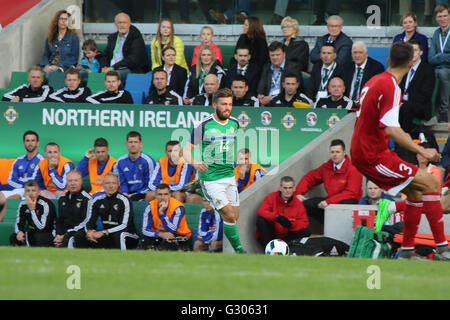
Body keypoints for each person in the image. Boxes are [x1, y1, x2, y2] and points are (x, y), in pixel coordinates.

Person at [351, 41, 450, 260]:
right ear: (410, 63)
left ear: (388, 61)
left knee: (416, 192)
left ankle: (406, 251)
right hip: (372, 154)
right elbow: (392, 130)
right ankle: (443, 248)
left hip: (369, 150)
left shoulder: (375, 80)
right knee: (432, 183)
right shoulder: (391, 86)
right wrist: (423, 152)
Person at [183, 88, 246, 253]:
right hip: (210, 178)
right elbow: (186, 150)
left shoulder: (235, 123)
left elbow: (236, 145)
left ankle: (220, 239)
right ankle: (241, 252)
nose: (227, 108)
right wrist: (196, 163)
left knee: (233, 216)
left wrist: (242, 164)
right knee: (230, 216)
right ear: (214, 105)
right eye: (224, 104)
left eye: (230, 104)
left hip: (229, 177)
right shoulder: (203, 125)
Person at [295, 139, 363, 233]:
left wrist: (329, 201)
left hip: (345, 204)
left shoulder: (353, 169)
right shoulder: (327, 167)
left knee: (347, 202)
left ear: (344, 152)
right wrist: (298, 193)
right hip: (330, 202)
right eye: (332, 152)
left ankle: (338, 229)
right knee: (305, 204)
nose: (334, 155)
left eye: (337, 152)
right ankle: (330, 226)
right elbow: (310, 178)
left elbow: (351, 193)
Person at [73, 172, 139, 250]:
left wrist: (103, 232)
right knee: (79, 235)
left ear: (118, 185)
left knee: (119, 235)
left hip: (128, 235)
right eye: (108, 183)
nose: (111, 186)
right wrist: (90, 232)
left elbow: (124, 225)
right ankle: (83, 260)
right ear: (103, 185)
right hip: (107, 235)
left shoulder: (124, 200)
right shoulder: (97, 200)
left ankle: (121, 259)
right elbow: (89, 221)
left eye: (114, 183)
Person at [0, 131, 43, 222]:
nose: (30, 143)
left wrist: (20, 180)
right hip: (16, 189)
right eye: (27, 140)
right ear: (24, 143)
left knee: (12, 199)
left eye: (32, 140)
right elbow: (10, 181)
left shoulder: (41, 160)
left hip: (31, 191)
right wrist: (24, 181)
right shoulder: (18, 160)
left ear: (37, 143)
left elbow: (34, 182)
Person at [256, 176, 310, 249]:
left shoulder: (298, 204)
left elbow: (304, 222)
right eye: (285, 188)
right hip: (271, 234)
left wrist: (290, 225)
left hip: (287, 236)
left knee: (305, 232)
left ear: (294, 188)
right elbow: (261, 211)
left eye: (290, 188)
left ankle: (288, 249)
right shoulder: (271, 197)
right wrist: (276, 217)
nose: (287, 190)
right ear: (280, 188)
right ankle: (269, 249)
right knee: (261, 220)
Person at [141, 183, 192, 251]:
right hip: (159, 234)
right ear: (155, 195)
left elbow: (172, 230)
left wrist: (161, 213)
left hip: (178, 235)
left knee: (169, 241)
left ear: (170, 195)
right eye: (160, 194)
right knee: (145, 241)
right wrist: (160, 234)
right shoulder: (150, 206)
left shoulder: (177, 207)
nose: (163, 197)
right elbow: (145, 230)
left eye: (165, 194)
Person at [399, 40, 436, 133]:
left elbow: (425, 95)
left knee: (406, 108)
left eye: (415, 50)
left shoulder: (428, 69)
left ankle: (404, 142)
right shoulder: (404, 68)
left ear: (421, 52)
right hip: (403, 103)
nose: (412, 53)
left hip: (421, 106)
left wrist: (404, 103)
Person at [100, 12, 150, 80]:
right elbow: (105, 55)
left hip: (131, 69)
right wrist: (104, 67)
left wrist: (113, 68)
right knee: (94, 75)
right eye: (119, 23)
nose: (122, 25)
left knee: (113, 76)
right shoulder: (112, 37)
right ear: (115, 24)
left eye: (124, 22)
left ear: (129, 23)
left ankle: (117, 90)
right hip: (111, 68)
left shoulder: (136, 37)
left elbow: (133, 60)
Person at [10, 180, 56, 247]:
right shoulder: (23, 204)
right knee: (14, 237)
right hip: (33, 231)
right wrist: (19, 232)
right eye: (28, 191)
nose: (30, 193)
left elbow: (41, 227)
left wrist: (32, 210)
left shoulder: (45, 204)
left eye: (33, 191)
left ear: (38, 192)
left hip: (47, 232)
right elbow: (19, 222)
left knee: (39, 237)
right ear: (25, 193)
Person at [113, 131, 156, 202]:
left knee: (150, 194)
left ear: (141, 144)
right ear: (126, 144)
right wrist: (125, 193)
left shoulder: (148, 161)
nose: (133, 145)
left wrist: (136, 194)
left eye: (136, 142)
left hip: (142, 193)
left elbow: (151, 185)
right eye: (130, 142)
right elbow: (122, 182)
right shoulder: (120, 161)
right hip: (126, 193)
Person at [54, 170, 92, 248]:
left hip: (78, 231)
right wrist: (59, 233)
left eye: (76, 180)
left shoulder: (87, 199)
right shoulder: (63, 199)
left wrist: (66, 234)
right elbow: (59, 220)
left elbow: (85, 221)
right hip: (64, 232)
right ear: (67, 183)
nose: (73, 183)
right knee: (46, 237)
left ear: (81, 182)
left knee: (71, 238)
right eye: (70, 181)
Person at [428, 5, 450, 123]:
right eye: (439, 16)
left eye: (445, 16)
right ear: (436, 19)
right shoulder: (436, 33)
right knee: (427, 74)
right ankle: (429, 111)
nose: (443, 19)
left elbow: (436, 56)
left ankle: (443, 112)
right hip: (436, 68)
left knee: (442, 73)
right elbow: (431, 58)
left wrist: (440, 56)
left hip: (446, 69)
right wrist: (445, 55)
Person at [257, 41, 290, 107]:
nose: (275, 58)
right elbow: (261, 87)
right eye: (272, 55)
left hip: (283, 103)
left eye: (278, 55)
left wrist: (272, 98)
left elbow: (291, 90)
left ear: (284, 55)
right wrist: (261, 95)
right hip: (266, 102)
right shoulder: (266, 68)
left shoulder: (292, 68)